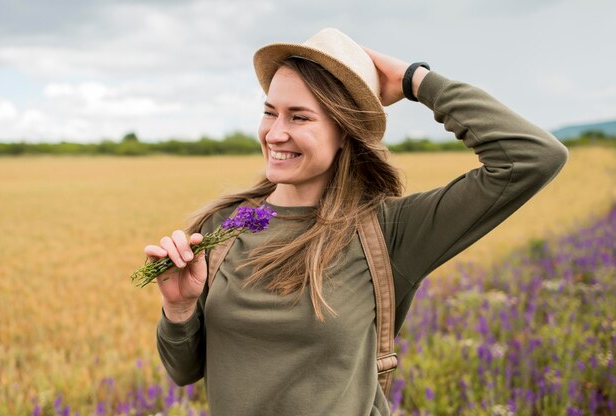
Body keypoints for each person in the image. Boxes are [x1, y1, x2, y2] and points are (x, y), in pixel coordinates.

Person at [144, 28, 568, 415]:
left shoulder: (389, 232)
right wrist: (178, 309)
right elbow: (185, 371)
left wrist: (415, 79)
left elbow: (531, 157)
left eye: (300, 116)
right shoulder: (223, 225)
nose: (274, 133)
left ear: (345, 130)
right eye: (270, 112)